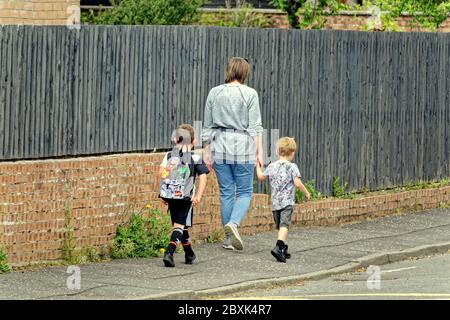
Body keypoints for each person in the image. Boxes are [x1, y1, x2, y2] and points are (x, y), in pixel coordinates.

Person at [202, 57, 264, 251]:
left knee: (226, 193)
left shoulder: (214, 92)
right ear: (245, 72)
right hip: (243, 146)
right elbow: (255, 126)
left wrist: (206, 151)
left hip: (219, 146)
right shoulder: (250, 94)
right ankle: (234, 224)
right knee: (245, 192)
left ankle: (228, 240)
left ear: (228, 70)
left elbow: (207, 125)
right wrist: (259, 152)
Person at [159, 124, 209, 267]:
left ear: (176, 140)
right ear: (193, 142)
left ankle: (189, 253)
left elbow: (162, 174)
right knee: (179, 226)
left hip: (170, 194)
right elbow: (203, 176)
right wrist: (198, 195)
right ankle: (169, 251)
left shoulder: (168, 155)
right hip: (185, 197)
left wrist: (164, 193)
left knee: (180, 225)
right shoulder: (195, 157)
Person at [256, 137, 310, 263]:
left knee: (280, 227)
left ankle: (283, 248)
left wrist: (258, 166)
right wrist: (306, 193)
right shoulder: (292, 167)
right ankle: (278, 247)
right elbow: (297, 183)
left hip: (275, 203)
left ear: (277, 152)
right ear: (292, 153)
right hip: (287, 203)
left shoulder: (271, 166)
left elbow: (261, 177)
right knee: (284, 226)